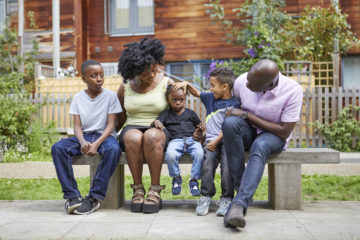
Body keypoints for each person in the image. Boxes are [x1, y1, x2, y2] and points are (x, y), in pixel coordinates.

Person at [222, 59, 303, 228]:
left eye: (253, 86)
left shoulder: (292, 91)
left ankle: (238, 204)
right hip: (248, 131)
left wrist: (247, 115)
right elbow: (236, 106)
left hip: (273, 136)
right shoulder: (242, 82)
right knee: (229, 124)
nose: (247, 85)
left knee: (260, 145)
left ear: (270, 85)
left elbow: (284, 131)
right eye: (248, 81)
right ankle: (242, 194)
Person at [52, 60, 122, 215]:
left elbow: (111, 125)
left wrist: (96, 144)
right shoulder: (78, 98)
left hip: (105, 136)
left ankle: (94, 197)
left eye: (102, 75)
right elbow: (77, 126)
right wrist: (83, 142)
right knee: (58, 148)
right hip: (84, 135)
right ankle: (73, 197)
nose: (99, 79)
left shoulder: (110, 96)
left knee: (114, 149)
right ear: (83, 78)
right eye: (94, 75)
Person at [116, 38, 174, 214]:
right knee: (133, 137)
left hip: (159, 130)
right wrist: (107, 134)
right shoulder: (125, 86)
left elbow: (176, 111)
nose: (151, 74)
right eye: (145, 72)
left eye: (154, 68)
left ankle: (155, 189)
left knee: (151, 135)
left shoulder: (166, 83)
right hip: (132, 126)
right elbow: (120, 117)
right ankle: (138, 189)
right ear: (134, 71)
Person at [174, 67, 241, 216]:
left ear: (225, 87)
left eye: (212, 85)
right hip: (211, 141)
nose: (210, 89)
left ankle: (226, 198)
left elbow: (229, 124)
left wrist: (217, 141)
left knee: (227, 166)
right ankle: (206, 196)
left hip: (226, 141)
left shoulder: (235, 104)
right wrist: (186, 84)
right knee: (207, 164)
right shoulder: (211, 98)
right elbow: (196, 93)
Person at [153, 85, 204, 196]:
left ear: (185, 100)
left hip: (192, 141)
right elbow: (157, 121)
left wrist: (199, 131)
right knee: (170, 155)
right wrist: (156, 122)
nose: (177, 102)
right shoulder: (166, 114)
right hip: (175, 141)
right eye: (174, 100)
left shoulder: (190, 113)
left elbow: (198, 126)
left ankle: (194, 180)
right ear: (168, 100)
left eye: (181, 100)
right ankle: (176, 178)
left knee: (199, 153)